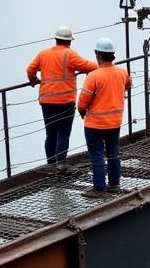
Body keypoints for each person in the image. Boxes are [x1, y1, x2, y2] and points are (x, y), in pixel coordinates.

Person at [26, 25, 97, 165]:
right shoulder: (69, 54)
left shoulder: (43, 54)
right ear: (69, 41)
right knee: (63, 134)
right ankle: (61, 163)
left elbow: (30, 69)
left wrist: (34, 80)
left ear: (56, 39)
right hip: (65, 101)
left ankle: (51, 164)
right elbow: (88, 66)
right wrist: (102, 66)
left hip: (46, 100)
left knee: (50, 134)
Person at [77, 37, 132, 197]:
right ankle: (114, 185)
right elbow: (128, 85)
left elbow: (82, 102)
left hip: (95, 124)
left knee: (97, 154)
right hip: (115, 122)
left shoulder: (94, 76)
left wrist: (82, 112)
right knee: (113, 153)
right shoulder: (122, 72)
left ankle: (99, 189)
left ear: (98, 55)